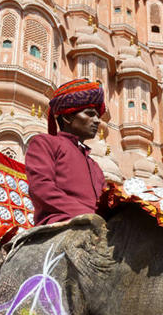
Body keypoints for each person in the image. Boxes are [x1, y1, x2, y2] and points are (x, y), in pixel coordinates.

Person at [25, 78, 106, 226]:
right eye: (90, 114)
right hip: (59, 223)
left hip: (96, 225)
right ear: (68, 117)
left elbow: (105, 205)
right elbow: (41, 187)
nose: (97, 121)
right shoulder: (45, 143)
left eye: (97, 116)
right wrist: (86, 215)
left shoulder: (95, 167)